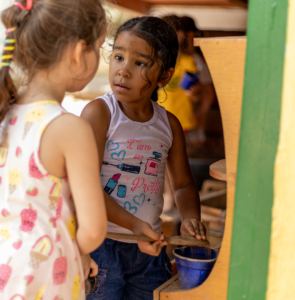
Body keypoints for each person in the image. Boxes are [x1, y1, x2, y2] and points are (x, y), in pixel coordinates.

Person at [81, 16, 206, 300]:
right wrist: (136, 226)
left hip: (149, 251)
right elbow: (86, 187)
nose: (123, 70)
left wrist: (189, 217)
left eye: (139, 63)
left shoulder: (168, 125)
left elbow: (184, 185)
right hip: (101, 246)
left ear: (164, 76)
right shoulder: (100, 114)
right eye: (118, 56)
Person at [0, 0, 107, 298]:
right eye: (98, 47)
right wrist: (77, 251)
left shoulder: (3, 110)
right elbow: (93, 230)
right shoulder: (69, 129)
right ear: (77, 52)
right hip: (45, 272)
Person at [180, 16, 215, 143]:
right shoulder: (178, 59)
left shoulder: (196, 61)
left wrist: (199, 116)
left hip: (190, 124)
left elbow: (209, 93)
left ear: (189, 35)